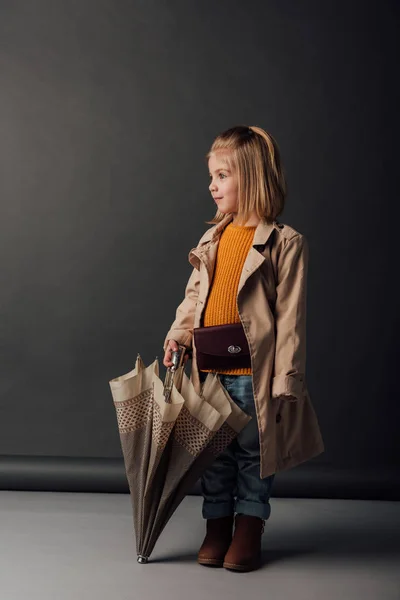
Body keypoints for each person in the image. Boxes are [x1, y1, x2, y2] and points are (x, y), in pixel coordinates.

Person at [162, 125, 324, 572]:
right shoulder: (212, 239)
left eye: (222, 175)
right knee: (211, 451)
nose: (212, 185)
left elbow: (291, 320)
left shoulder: (284, 244)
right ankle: (217, 524)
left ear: (250, 178)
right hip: (208, 368)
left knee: (254, 452)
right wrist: (178, 335)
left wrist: (285, 378)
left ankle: (249, 525)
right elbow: (195, 296)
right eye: (211, 176)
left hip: (253, 373)